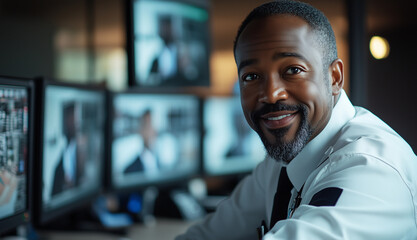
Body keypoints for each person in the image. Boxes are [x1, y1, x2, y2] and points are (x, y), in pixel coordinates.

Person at [176, 0, 417, 239]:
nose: (270, 94)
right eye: (251, 76)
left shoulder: (371, 171)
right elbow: (208, 234)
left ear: (334, 78)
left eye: (293, 70)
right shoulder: (282, 162)